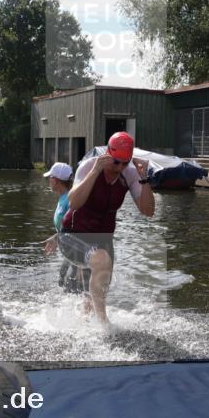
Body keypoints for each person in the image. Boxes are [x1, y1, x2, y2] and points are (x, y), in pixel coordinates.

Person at [59, 132, 155, 323]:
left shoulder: (129, 174)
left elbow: (148, 211)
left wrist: (144, 179)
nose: (119, 167)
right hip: (72, 236)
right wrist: (95, 171)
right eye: (116, 162)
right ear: (108, 154)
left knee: (95, 294)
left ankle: (82, 326)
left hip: (103, 240)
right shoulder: (89, 167)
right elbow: (74, 203)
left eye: (125, 163)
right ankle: (104, 327)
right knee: (101, 261)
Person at [41, 161, 83, 292]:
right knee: (62, 280)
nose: (48, 181)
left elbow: (78, 227)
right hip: (70, 253)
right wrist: (56, 237)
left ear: (56, 180)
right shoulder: (63, 198)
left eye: (50, 178)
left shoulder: (70, 200)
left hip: (78, 253)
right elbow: (66, 227)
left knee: (72, 287)